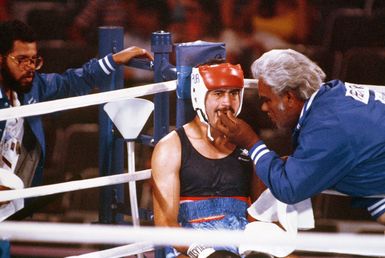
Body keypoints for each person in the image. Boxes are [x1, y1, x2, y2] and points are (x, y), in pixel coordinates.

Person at [0, 19, 153, 218]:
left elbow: (72, 82)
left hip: (11, 204)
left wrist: (114, 60)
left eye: (34, 60)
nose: (30, 67)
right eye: (21, 60)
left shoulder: (32, 88)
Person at [215, 48, 385, 225]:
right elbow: (365, 156)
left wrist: (251, 142)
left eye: (267, 100)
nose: (264, 108)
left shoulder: (328, 126)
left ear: (289, 97)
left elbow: (288, 189)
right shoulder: (332, 95)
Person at [151, 61, 261, 257]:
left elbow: (262, 214)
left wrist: (255, 247)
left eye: (234, 93)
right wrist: (202, 252)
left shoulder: (248, 144)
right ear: (199, 96)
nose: (227, 102)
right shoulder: (171, 147)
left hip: (242, 245)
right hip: (188, 248)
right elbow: (165, 224)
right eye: (218, 93)